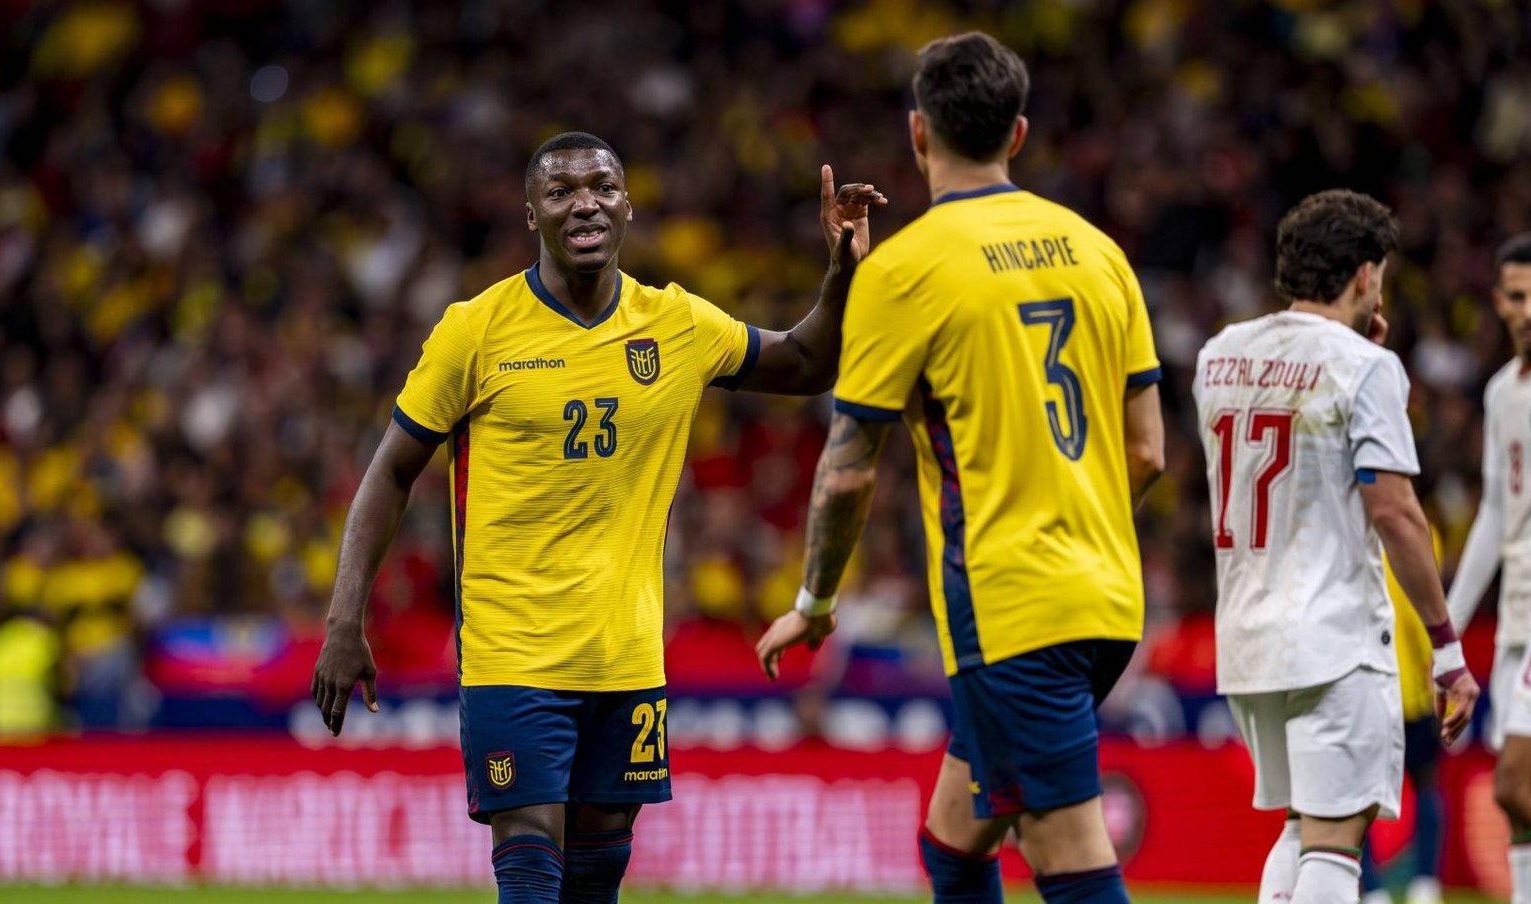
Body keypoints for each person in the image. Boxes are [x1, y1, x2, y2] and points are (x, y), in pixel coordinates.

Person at [309, 131, 885, 904]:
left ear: (628, 206)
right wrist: (345, 620)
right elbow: (391, 470)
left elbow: (809, 362)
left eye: (602, 187)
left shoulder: (677, 324)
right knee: (529, 859)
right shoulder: (476, 330)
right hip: (513, 657)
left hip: (626, 660)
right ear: (532, 215)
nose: (585, 203)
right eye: (561, 192)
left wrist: (842, 272)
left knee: (595, 880)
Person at [756, 32, 1166, 904]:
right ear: (1019, 135)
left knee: (1066, 857)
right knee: (954, 842)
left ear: (917, 132)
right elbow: (1148, 452)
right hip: (1109, 599)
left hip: (1014, 609)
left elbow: (849, 470)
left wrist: (815, 604)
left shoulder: (908, 270)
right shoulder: (1100, 253)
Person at [1192, 189, 1479, 904]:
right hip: (1331, 640)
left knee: (1299, 825)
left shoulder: (1218, 356)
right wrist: (1445, 647)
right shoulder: (1365, 368)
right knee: (1335, 839)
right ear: (1364, 274)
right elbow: (1396, 513)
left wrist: (1358, 354)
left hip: (1248, 639)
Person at [1447, 233, 1531, 904]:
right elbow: (1495, 516)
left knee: (1514, 784)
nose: (1528, 310)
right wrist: (1447, 625)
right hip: (1513, 623)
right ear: (1499, 302)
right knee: (1520, 806)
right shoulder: (1503, 393)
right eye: (1517, 296)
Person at [1361, 540, 1447, 904]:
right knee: (1422, 782)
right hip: (1406, 688)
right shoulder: (1422, 532)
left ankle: (1377, 889)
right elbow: (1424, 611)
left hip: (1372, 688)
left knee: (1359, 793)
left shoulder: (1352, 526)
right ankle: (1421, 883)